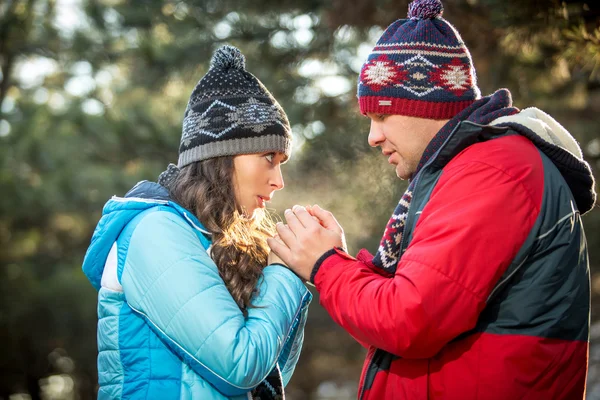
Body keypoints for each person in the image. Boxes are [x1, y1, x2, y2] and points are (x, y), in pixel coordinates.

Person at [268, 0, 596, 398]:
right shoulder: (474, 169)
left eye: (381, 116)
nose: (373, 137)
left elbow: (409, 320)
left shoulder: (494, 171)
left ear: (425, 104)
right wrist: (339, 257)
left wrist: (326, 266)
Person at [82, 45, 311, 400]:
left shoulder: (210, 238)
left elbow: (270, 372)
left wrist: (299, 269)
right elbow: (240, 366)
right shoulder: (154, 232)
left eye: (281, 161)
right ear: (221, 156)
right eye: (269, 157)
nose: (279, 180)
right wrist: (283, 273)